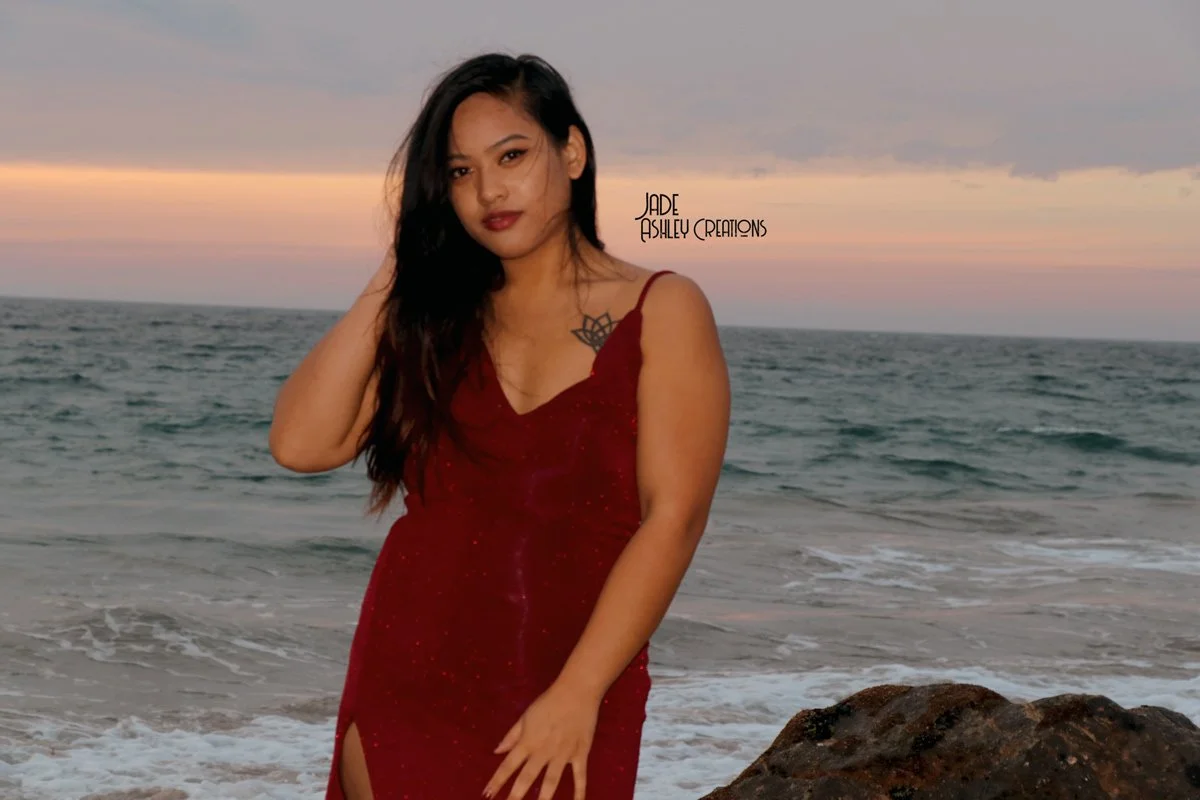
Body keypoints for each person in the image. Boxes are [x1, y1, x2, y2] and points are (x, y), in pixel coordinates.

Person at [269, 52, 729, 799]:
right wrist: (399, 269)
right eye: (457, 173)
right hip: (410, 674)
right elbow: (300, 443)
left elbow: (672, 519)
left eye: (511, 156)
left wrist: (578, 694)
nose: (487, 190)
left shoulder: (664, 310)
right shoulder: (436, 320)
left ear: (571, 151)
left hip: (575, 682)